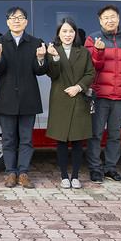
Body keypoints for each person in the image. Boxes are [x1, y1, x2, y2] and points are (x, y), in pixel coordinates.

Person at [0, 6, 48, 189]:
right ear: (7, 22)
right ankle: (10, 173)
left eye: (20, 18)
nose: (16, 21)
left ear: (26, 21)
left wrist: (40, 58)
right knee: (7, 139)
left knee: (26, 139)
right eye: (12, 18)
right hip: (7, 98)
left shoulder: (36, 42)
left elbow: (40, 71)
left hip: (28, 98)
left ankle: (23, 173)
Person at [84, 4, 121, 184]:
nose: (110, 20)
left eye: (113, 17)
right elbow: (90, 67)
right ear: (100, 20)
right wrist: (98, 52)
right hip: (100, 95)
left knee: (115, 135)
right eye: (106, 18)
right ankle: (94, 169)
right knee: (95, 133)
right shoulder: (92, 39)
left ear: (118, 18)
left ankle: (110, 168)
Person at [45, 18, 95, 189]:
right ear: (58, 33)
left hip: (79, 98)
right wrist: (55, 57)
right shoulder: (53, 50)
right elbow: (53, 74)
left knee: (77, 140)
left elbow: (90, 73)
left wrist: (78, 87)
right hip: (60, 100)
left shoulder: (83, 51)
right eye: (64, 31)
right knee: (62, 141)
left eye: (71, 31)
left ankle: (75, 176)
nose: (68, 35)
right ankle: (64, 176)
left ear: (75, 33)